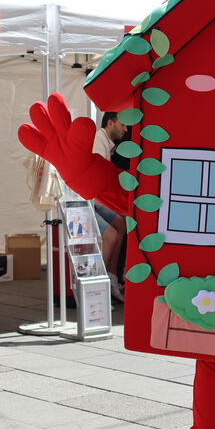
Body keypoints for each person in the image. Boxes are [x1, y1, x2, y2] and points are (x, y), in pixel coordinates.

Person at [92, 112, 128, 302]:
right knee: (111, 235)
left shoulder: (105, 142)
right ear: (111, 123)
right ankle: (100, 286)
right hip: (88, 203)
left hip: (96, 202)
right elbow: (97, 181)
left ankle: (112, 277)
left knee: (122, 224)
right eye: (122, 125)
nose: (125, 129)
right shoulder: (99, 140)